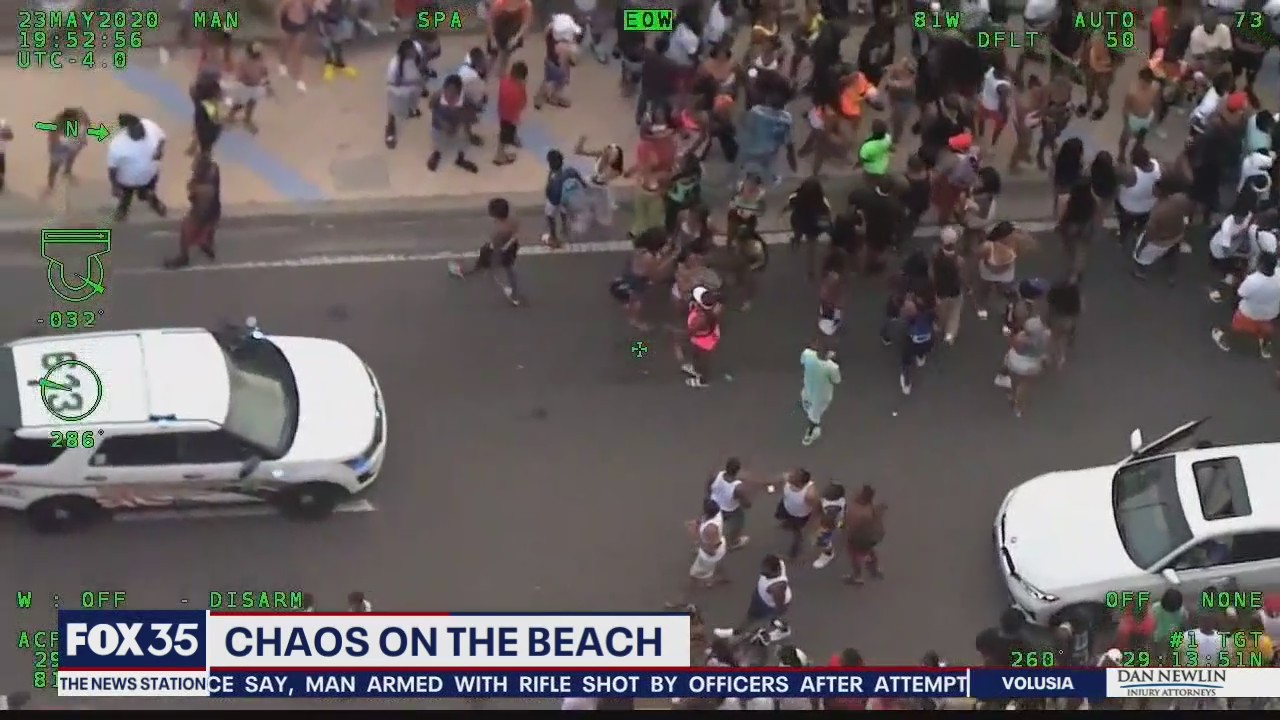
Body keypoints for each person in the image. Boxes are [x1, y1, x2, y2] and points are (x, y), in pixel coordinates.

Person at [447, 197, 523, 306]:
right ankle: (515, 295)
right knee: (509, 268)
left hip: (497, 250)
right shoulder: (513, 220)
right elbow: (515, 234)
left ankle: (462, 271)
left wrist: (491, 256)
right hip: (512, 249)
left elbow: (494, 247)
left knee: (482, 264)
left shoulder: (498, 231)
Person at [1212, 251, 1280, 359]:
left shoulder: (1253, 280)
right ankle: (1265, 347)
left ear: (1261, 264)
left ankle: (1226, 341)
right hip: (1271, 313)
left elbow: (1240, 294)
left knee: (1236, 328)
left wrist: (1232, 304)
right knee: (1266, 329)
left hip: (1250, 313)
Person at [712, 554, 793, 639]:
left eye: (766, 572)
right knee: (753, 616)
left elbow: (781, 607)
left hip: (767, 605)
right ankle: (783, 629)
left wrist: (775, 617)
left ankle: (737, 633)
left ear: (776, 570)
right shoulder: (779, 563)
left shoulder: (777, 588)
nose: (763, 573)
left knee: (753, 618)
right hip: (761, 596)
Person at [666, 498, 729, 607]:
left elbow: (711, 551)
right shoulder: (716, 513)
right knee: (719, 563)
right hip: (719, 547)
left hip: (707, 557)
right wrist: (696, 523)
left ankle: (681, 600)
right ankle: (721, 578)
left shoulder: (711, 529)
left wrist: (695, 537)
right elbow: (703, 517)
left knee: (692, 578)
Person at [106, 114, 167, 222]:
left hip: (149, 175)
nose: (142, 132)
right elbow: (112, 169)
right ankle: (122, 212)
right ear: (127, 130)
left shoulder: (149, 125)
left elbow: (162, 138)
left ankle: (155, 204)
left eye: (141, 128)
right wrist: (114, 186)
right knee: (126, 197)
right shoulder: (117, 145)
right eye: (138, 130)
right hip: (127, 181)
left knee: (147, 193)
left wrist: (159, 149)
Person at [165, 152, 221, 270]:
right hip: (215, 209)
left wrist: (190, 188)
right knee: (210, 228)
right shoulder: (214, 169)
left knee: (185, 231)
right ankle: (207, 244)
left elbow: (194, 202)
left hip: (201, 213)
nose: (193, 168)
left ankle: (184, 257)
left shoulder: (200, 189)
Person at [427, 74, 480, 174]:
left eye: (453, 93)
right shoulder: (437, 96)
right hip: (439, 126)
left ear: (459, 93)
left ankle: (460, 159)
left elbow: (469, 118)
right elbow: (432, 109)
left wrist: (469, 134)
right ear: (443, 89)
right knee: (437, 139)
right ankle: (437, 153)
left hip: (458, 126)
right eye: (447, 92)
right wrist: (442, 123)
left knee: (463, 141)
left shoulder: (466, 102)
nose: (449, 96)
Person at [385, 39, 425, 149]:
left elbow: (419, 68)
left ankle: (411, 110)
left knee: (412, 103)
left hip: (414, 90)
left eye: (413, 51)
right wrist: (412, 82)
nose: (413, 53)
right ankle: (390, 131)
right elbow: (392, 82)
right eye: (410, 52)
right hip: (398, 92)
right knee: (393, 110)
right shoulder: (395, 64)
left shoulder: (416, 54)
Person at [799, 341, 840, 446]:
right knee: (814, 416)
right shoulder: (831, 367)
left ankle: (811, 424)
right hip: (821, 396)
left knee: (808, 406)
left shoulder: (808, 354)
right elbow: (836, 380)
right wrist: (832, 361)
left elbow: (802, 360)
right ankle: (810, 433)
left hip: (808, 389)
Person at [843, 485, 886, 585]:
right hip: (871, 537)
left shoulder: (856, 511)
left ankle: (857, 577)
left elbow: (849, 526)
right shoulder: (870, 507)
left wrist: (840, 526)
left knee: (855, 557)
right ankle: (874, 568)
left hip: (858, 539)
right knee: (870, 551)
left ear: (861, 496)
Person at [43, 107, 87, 196]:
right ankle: (50, 186)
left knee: (70, 160)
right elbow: (52, 139)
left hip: (70, 146)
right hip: (59, 148)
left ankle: (67, 172)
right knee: (54, 168)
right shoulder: (57, 124)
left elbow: (84, 120)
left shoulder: (76, 120)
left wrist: (79, 143)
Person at [685, 286, 723, 388]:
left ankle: (703, 380)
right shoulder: (716, 307)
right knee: (697, 356)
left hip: (703, 342)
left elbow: (692, 331)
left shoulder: (700, 319)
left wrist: (688, 335)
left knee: (703, 360)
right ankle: (696, 368)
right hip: (709, 336)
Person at [774, 468, 817, 559]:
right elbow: (775, 483)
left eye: (793, 476)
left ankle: (792, 555)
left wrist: (810, 525)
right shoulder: (787, 479)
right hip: (787, 508)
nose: (790, 475)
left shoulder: (809, 494)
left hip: (799, 516)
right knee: (784, 517)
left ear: (800, 482)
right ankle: (787, 524)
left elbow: (816, 509)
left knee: (797, 535)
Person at [494, 61, 529, 165]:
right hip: (510, 117)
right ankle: (499, 156)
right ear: (520, 78)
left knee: (506, 130)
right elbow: (522, 103)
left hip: (502, 113)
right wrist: (522, 88)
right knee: (504, 136)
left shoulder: (504, 81)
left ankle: (513, 138)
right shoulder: (517, 90)